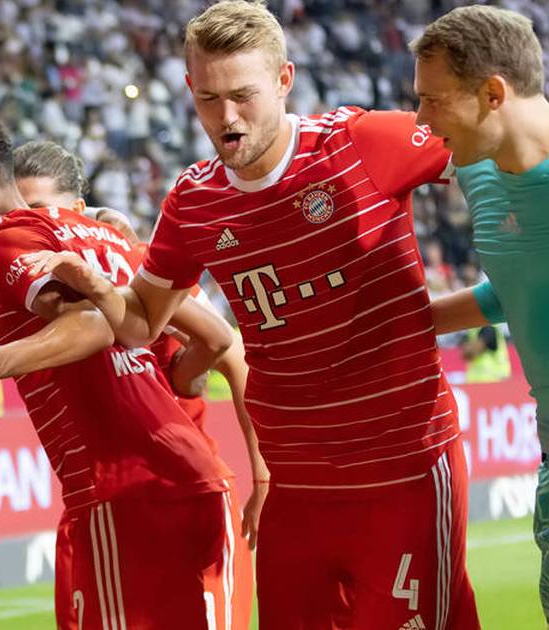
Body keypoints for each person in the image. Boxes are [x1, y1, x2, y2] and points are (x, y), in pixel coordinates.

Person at [23, 2, 479, 628]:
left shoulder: (363, 143)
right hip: (296, 492)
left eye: (243, 96)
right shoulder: (194, 201)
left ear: (285, 80)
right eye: (209, 99)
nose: (227, 118)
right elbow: (141, 323)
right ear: (189, 88)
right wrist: (99, 287)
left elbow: (496, 152)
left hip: (402, 472)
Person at [0, 102, 252, 630]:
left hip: (120, 487)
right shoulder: (114, 239)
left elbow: (94, 323)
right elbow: (220, 339)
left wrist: (2, 360)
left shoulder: (5, 239)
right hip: (201, 479)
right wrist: (261, 467)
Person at [408, 5, 549, 621]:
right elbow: (515, 286)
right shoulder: (478, 172)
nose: (420, 119)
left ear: (493, 94)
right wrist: (396, 322)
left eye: (433, 101)